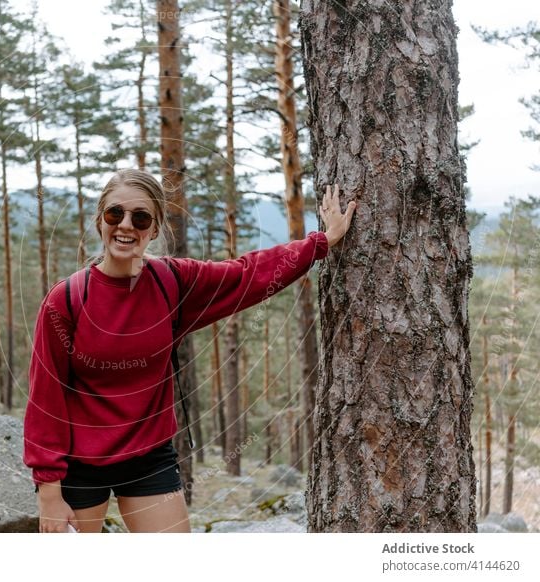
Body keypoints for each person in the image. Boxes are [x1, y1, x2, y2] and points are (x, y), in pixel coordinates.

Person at [23, 169, 357, 533]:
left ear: (154, 229)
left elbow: (247, 274)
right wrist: (49, 491)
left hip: (149, 457)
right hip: (80, 463)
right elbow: (46, 397)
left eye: (141, 217)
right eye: (114, 214)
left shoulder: (172, 283)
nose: (126, 225)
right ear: (99, 219)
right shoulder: (67, 300)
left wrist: (321, 242)